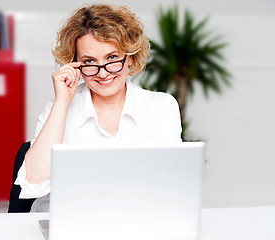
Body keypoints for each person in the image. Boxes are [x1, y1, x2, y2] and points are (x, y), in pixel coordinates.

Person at [14, 4, 182, 212]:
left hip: (136, 218)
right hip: (68, 220)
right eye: (89, 61)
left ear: (129, 57)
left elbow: (171, 185)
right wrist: (62, 102)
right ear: (75, 64)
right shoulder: (57, 109)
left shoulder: (162, 107)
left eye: (112, 58)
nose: (102, 73)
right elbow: (32, 182)